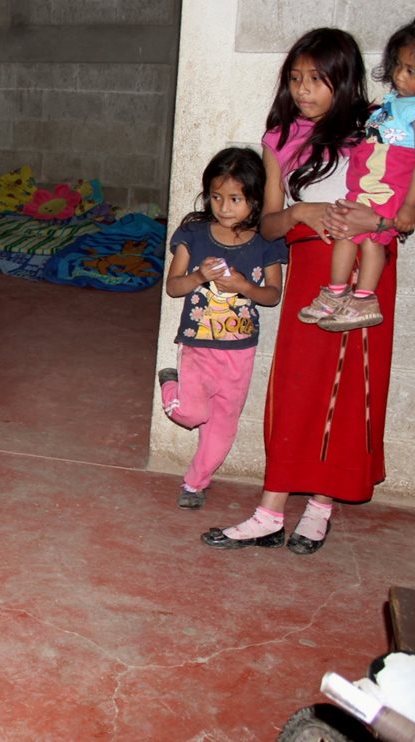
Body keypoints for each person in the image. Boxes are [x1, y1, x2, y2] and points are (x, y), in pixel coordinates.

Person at [202, 28, 398, 554]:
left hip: (367, 269)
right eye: (296, 78)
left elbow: (405, 212)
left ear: (346, 79)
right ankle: (269, 510)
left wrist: (376, 217)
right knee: (294, 385)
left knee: (345, 389)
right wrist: (298, 213)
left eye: (317, 79)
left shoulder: (383, 127)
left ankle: (320, 505)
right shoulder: (279, 137)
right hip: (312, 267)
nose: (305, 90)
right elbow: (267, 225)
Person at [157, 148, 286, 510]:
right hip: (198, 347)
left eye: (235, 199)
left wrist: (244, 287)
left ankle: (195, 484)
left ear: (255, 200)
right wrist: (199, 276)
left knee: (222, 428)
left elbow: (273, 295)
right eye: (216, 197)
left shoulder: (266, 241)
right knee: (192, 414)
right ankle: (170, 383)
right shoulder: (194, 234)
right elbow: (173, 286)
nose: (224, 208)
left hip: (239, 353)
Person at [298, 19, 415, 331]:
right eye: (398, 66)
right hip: (367, 181)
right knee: (345, 233)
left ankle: (364, 297)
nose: (399, 77)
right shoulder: (393, 102)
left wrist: (408, 207)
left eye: (411, 71)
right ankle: (335, 292)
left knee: (372, 241)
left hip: (388, 186)